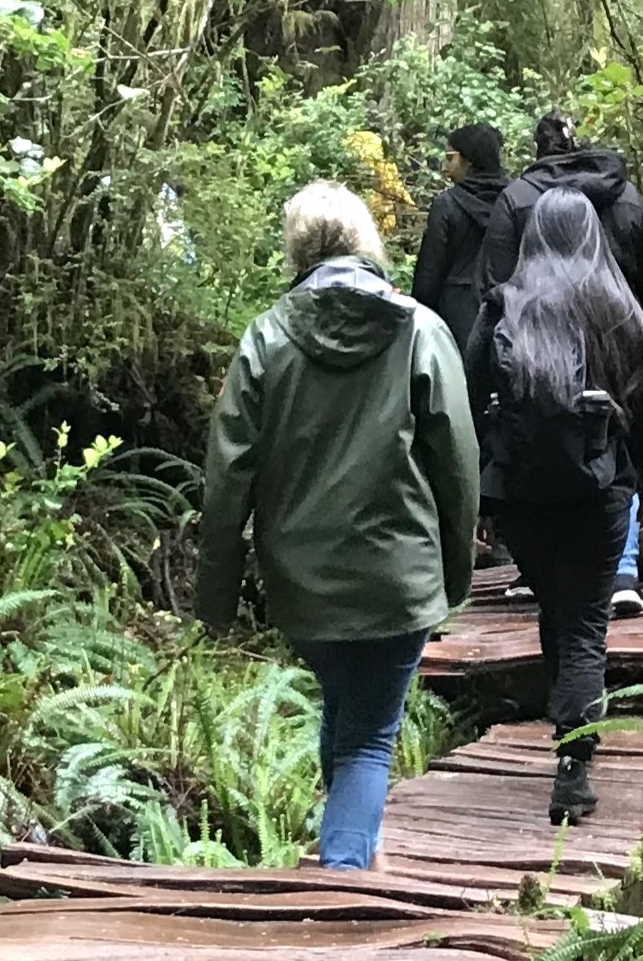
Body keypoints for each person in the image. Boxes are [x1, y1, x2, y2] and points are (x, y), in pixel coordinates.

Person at [197, 181, 479, 871]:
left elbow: (227, 476)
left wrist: (218, 597)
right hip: (397, 575)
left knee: (345, 705)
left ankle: (350, 847)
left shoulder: (267, 338)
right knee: (369, 737)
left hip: (302, 581)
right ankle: (346, 879)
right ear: (364, 239)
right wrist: (454, 571)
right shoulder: (420, 329)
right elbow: (459, 463)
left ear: (298, 246)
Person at [465, 187, 643, 825]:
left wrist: (475, 495)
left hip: (522, 496)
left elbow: (469, 406)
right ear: (592, 235)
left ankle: (570, 739)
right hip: (601, 492)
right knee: (583, 621)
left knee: (559, 610)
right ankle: (574, 766)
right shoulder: (616, 307)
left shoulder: (500, 309)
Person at [477, 110, 643, 615]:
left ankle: (533, 567)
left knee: (540, 435)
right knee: (615, 444)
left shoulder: (517, 199)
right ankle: (623, 570)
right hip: (618, 332)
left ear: (536, 150)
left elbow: (494, 286)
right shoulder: (624, 196)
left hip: (536, 347)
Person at [409, 124, 509, 343]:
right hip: (506, 316)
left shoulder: (446, 205)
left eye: (450, 158)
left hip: (453, 320)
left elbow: (428, 275)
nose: (444, 168)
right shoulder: (514, 201)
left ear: (469, 160)